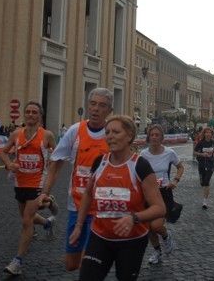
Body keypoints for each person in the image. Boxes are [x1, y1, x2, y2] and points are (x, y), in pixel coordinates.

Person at [69, 115, 165, 280]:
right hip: (100, 236)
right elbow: (87, 194)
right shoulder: (100, 162)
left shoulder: (140, 165)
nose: (110, 136)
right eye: (107, 132)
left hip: (132, 240)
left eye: (115, 132)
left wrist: (134, 218)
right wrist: (79, 225)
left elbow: (159, 208)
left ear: (129, 136)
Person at [40, 87, 113, 271]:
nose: (96, 109)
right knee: (71, 264)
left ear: (109, 111)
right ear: (88, 106)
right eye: (93, 104)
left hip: (100, 209)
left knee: (90, 263)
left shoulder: (113, 134)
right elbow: (56, 163)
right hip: (76, 206)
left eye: (102, 105)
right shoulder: (75, 131)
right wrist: (45, 193)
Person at [0, 101, 57, 276]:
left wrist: (51, 158)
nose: (31, 115)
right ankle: (48, 222)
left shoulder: (46, 135)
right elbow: (2, 152)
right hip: (20, 182)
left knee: (26, 221)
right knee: (26, 217)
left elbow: (58, 151)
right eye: (28, 112)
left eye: (34, 112)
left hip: (38, 183)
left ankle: (17, 261)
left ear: (40, 116)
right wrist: (9, 163)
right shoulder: (17, 134)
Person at [140, 124, 185, 265]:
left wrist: (175, 180)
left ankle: (166, 235)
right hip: (147, 193)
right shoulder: (143, 155)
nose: (154, 137)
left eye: (157, 135)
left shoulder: (169, 153)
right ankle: (157, 251)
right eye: (152, 135)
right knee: (148, 227)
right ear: (148, 137)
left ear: (161, 137)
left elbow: (180, 167)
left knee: (157, 225)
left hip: (164, 192)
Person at [193, 127, 214, 209]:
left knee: (206, 182)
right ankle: (203, 182)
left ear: (212, 134)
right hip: (201, 163)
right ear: (204, 134)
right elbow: (194, 152)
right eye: (207, 132)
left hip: (210, 163)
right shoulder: (201, 143)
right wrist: (202, 154)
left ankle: (205, 201)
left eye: (210, 132)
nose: (208, 134)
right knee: (202, 183)